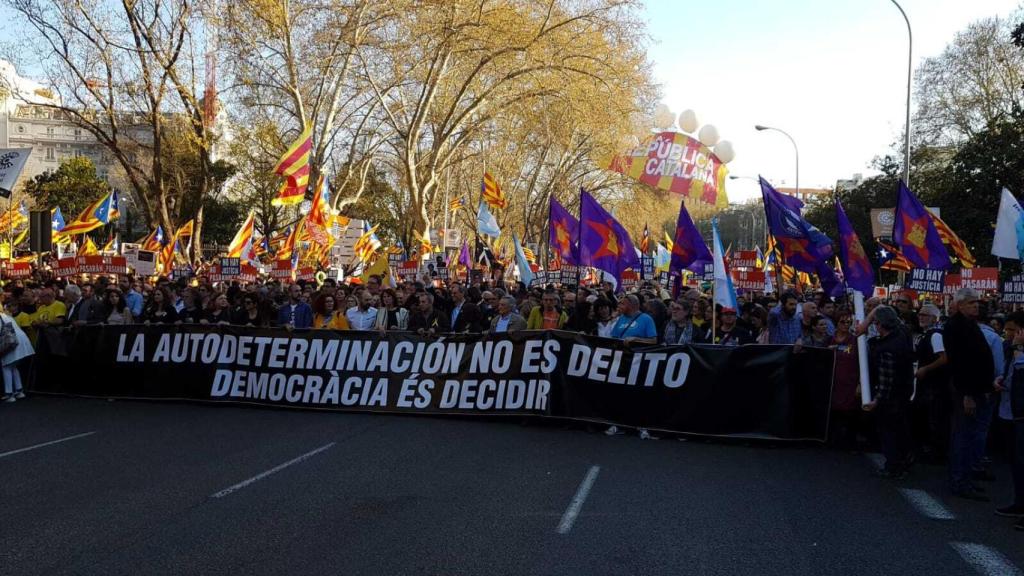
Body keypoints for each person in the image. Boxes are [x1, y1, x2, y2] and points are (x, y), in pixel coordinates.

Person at [944, 287, 996, 500]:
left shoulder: (969, 324)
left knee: (969, 435)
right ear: (960, 305)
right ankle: (960, 482)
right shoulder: (956, 327)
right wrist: (967, 394)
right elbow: (960, 363)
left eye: (977, 302)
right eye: (972, 302)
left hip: (977, 389)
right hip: (967, 391)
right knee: (963, 437)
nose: (977, 305)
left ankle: (966, 478)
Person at [864, 305, 915, 479]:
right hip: (904, 390)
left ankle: (893, 466)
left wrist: (876, 401)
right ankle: (904, 461)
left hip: (891, 398)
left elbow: (886, 381)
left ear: (880, 324)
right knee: (901, 429)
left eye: (875, 323)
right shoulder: (903, 333)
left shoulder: (886, 349)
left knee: (889, 432)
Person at [914, 303, 949, 464]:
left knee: (935, 419)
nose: (921, 317)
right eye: (920, 314)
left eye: (925, 315)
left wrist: (926, 369)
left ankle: (937, 453)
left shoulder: (935, 335)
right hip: (927, 384)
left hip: (934, 386)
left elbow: (944, 358)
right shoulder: (926, 334)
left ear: (934, 319)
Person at [829, 312, 862, 448]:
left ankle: (850, 442)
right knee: (834, 413)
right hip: (833, 383)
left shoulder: (856, 340)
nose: (845, 325)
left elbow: (861, 363)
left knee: (850, 414)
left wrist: (860, 384)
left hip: (850, 383)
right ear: (836, 323)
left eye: (848, 322)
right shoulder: (829, 339)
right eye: (843, 322)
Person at [0, 301, 33, 403]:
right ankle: (19, 391)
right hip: (21, 341)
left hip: (11, 342)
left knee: (6, 366)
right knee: (13, 366)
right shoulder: (5, 315)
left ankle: (9, 394)